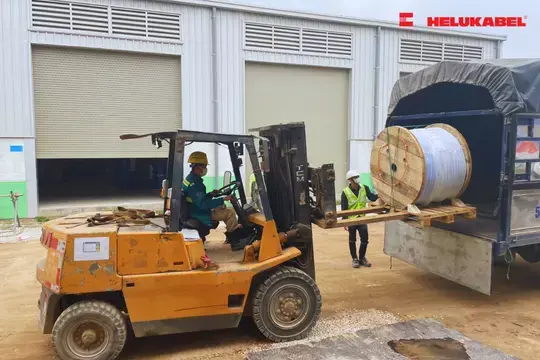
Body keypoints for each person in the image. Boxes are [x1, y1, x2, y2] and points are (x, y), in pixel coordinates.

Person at [182, 151, 242, 235]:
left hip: (195, 210)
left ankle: (231, 236)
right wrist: (223, 199)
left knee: (222, 209)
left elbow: (199, 199)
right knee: (230, 213)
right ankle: (235, 239)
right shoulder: (194, 184)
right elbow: (203, 204)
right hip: (200, 214)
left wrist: (211, 194)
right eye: (204, 166)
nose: (205, 168)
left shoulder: (191, 179)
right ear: (197, 166)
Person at [341, 169, 378, 268]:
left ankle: (362, 258)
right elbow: (344, 208)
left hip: (362, 219)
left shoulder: (364, 188)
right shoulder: (345, 192)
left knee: (365, 239)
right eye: (355, 177)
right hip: (351, 220)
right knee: (352, 240)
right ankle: (354, 259)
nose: (358, 178)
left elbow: (372, 198)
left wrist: (381, 193)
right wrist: (345, 222)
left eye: (358, 176)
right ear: (350, 180)